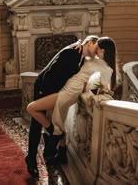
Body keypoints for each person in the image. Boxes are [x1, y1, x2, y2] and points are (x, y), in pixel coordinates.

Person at [27, 37, 118, 168]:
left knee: (35, 110)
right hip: (54, 88)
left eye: (98, 48)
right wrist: (79, 42)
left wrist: (103, 92)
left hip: (68, 92)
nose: (96, 50)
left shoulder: (103, 66)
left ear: (102, 50)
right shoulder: (83, 55)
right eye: (95, 46)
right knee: (58, 118)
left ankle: (54, 135)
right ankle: (59, 152)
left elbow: (103, 86)